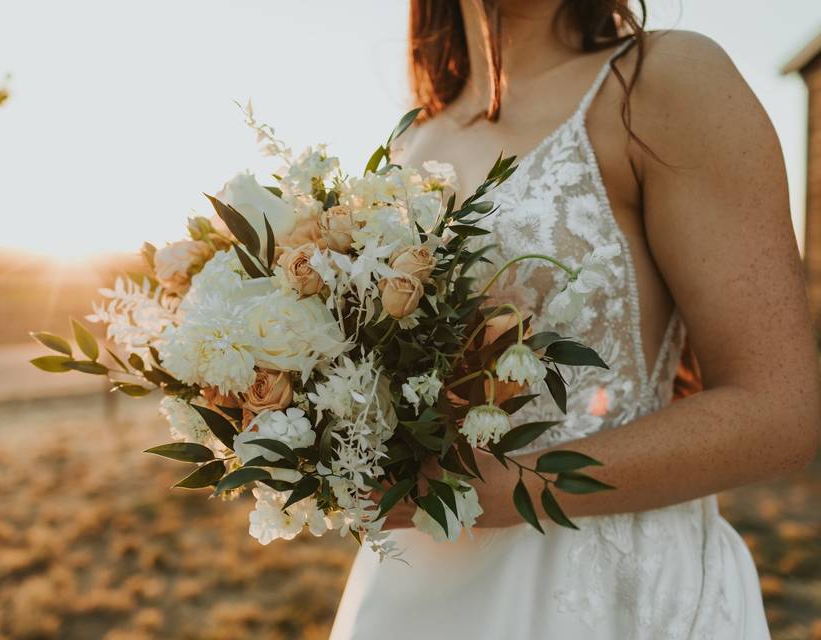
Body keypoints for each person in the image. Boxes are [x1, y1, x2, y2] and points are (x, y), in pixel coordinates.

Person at [329, 1, 820, 638]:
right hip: (413, 588)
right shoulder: (411, 140)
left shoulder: (663, 80)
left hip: (600, 590)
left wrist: (506, 492)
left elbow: (779, 409)